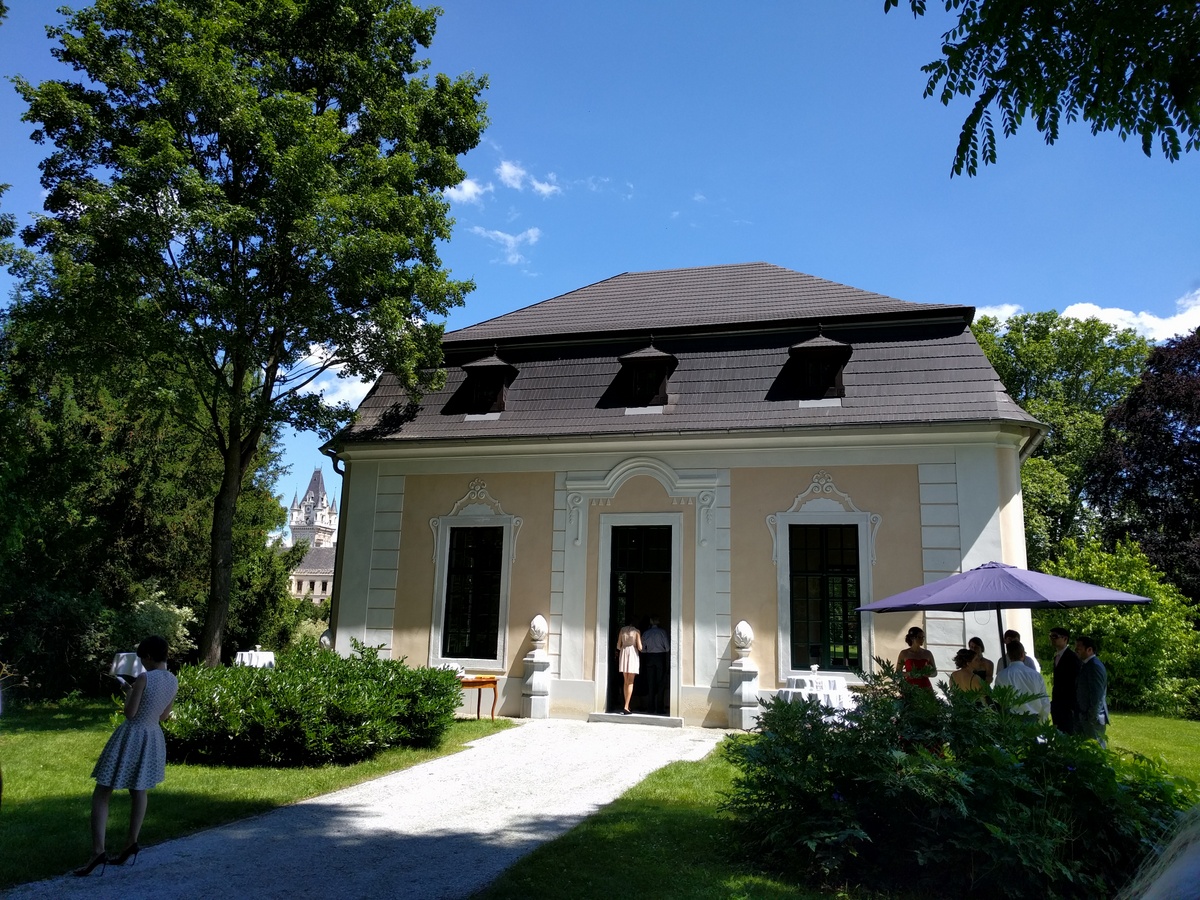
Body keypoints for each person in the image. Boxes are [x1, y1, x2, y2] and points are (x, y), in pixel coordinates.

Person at [74, 635, 178, 877]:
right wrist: (135, 693)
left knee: (102, 791)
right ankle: (131, 842)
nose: (142, 663)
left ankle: (98, 851)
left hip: (132, 736)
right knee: (139, 790)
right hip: (152, 735)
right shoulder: (173, 680)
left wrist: (130, 692)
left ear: (149, 656)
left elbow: (130, 713)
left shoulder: (144, 678)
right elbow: (164, 716)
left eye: (142, 659)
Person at [994, 640, 1050, 721]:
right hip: (1033, 719)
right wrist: (1043, 720)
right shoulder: (1036, 675)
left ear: (1008, 656)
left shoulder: (1001, 676)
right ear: (1023, 654)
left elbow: (998, 700)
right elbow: (1044, 700)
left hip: (1011, 720)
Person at [1074, 634, 1109, 746]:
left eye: (1079, 648)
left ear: (1089, 650)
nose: (1076, 650)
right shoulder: (1087, 664)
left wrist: (1090, 718)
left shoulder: (1094, 666)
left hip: (1093, 719)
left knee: (1096, 749)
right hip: (1085, 716)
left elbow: (1097, 696)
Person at [1048, 626, 1081, 733]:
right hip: (1057, 704)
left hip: (1068, 705)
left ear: (1065, 639)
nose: (1052, 639)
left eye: (1055, 636)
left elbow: (1075, 682)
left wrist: (1072, 706)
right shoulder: (1056, 657)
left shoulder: (1072, 657)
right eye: (1050, 636)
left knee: (1067, 733)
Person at [640, 615, 670, 714]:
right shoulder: (662, 632)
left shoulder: (646, 633)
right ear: (658, 621)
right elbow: (667, 648)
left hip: (649, 657)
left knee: (650, 682)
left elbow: (642, 649)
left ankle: (650, 707)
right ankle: (659, 708)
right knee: (660, 683)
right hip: (660, 657)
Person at [896, 626, 936, 690]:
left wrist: (926, 674)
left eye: (923, 637)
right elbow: (898, 672)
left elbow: (935, 672)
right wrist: (909, 674)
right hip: (910, 687)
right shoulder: (904, 653)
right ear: (912, 638)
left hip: (925, 686)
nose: (922, 639)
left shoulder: (927, 653)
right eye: (919, 637)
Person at [615, 622, 642, 715]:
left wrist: (624, 646)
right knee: (630, 682)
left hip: (624, 653)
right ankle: (626, 706)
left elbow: (618, 645)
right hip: (632, 654)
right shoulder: (636, 631)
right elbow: (640, 647)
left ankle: (627, 705)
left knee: (625, 681)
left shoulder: (622, 630)